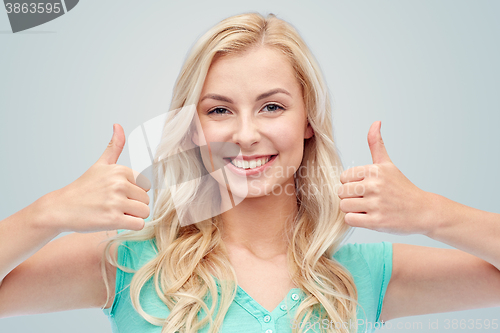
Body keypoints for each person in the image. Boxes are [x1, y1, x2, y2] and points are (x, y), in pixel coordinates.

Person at [0, 12, 499, 333]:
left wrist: (432, 213)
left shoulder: (363, 272)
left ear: (308, 120)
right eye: (219, 111)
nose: (244, 134)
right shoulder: (125, 264)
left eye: (271, 107)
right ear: (192, 128)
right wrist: (50, 212)